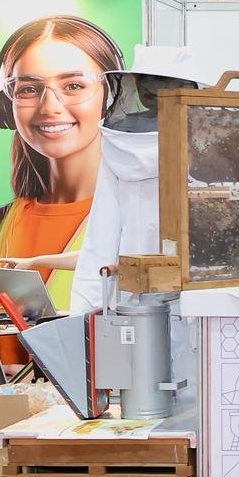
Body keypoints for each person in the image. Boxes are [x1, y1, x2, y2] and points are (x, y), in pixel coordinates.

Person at [0, 15, 124, 371]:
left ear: (112, 97)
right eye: (28, 89)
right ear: (4, 107)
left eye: (73, 85)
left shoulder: (138, 222)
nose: (50, 106)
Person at [70, 44, 205, 314]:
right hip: (198, 287)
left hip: (135, 290)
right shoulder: (206, 139)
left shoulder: (118, 144)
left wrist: (87, 308)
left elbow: (101, 235)